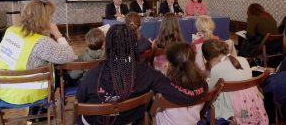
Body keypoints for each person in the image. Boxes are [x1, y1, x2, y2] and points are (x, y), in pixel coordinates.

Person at [76, 24, 208, 125]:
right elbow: (182, 94)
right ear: (134, 45)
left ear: (107, 46)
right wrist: (202, 84)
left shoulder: (91, 75)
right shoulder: (147, 72)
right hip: (128, 120)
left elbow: (80, 103)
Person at [0, 0, 77, 105]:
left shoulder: (11, 30)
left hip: (3, 91)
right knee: (61, 71)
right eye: (49, 17)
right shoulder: (41, 43)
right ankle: (40, 109)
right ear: (44, 19)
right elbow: (70, 56)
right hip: (29, 93)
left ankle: (37, 112)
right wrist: (57, 34)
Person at [202, 39, 268, 124]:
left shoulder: (216, 69)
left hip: (234, 108)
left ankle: (237, 120)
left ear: (208, 58)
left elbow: (210, 94)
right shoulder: (243, 60)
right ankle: (243, 120)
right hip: (251, 103)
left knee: (211, 102)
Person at [156, 42, 207, 125]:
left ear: (170, 65)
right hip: (192, 122)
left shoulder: (165, 87)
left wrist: (164, 76)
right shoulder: (203, 84)